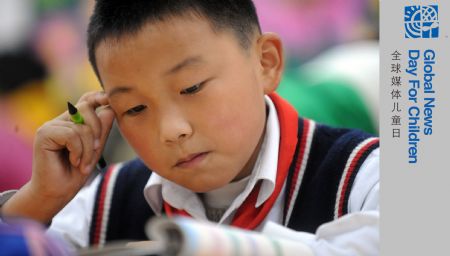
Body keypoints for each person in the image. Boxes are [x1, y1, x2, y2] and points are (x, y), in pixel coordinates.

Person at [0, 1, 379, 255]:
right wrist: (38, 200)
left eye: (192, 87)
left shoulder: (367, 175)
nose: (171, 130)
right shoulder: (103, 203)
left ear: (266, 62)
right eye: (134, 108)